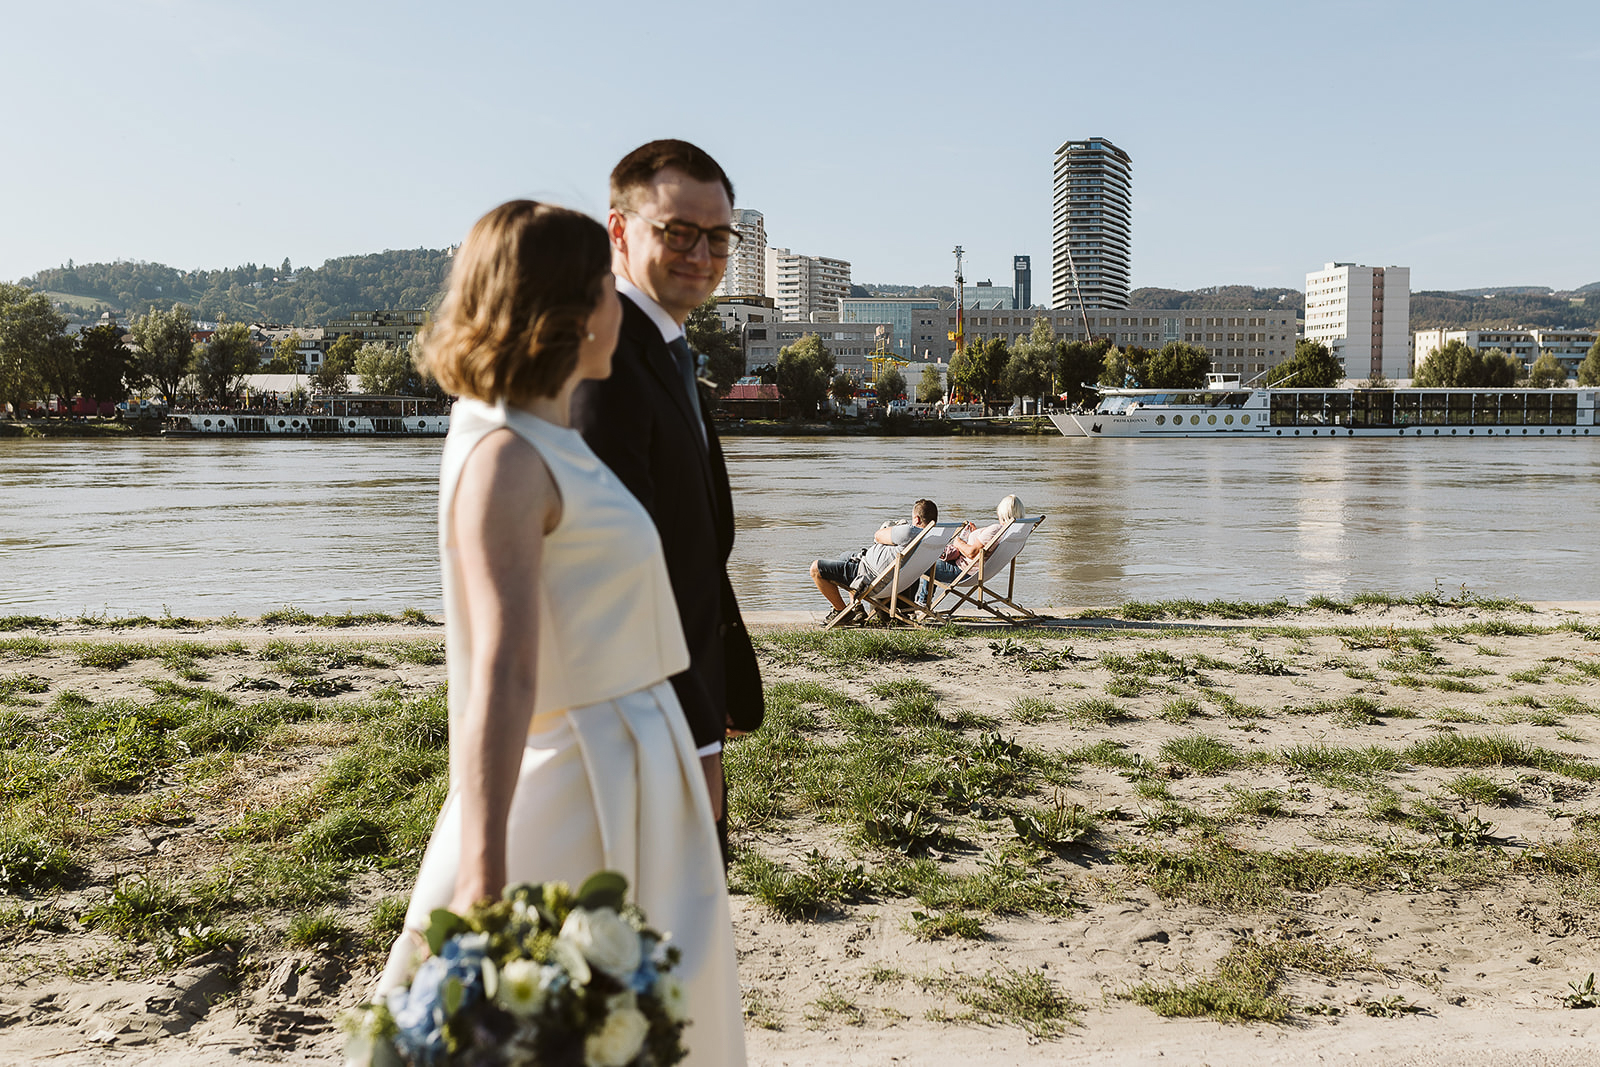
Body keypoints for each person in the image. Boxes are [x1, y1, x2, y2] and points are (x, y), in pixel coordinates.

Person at [377, 200, 745, 1065]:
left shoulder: (551, 432)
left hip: (634, 764)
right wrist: (484, 876)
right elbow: (501, 672)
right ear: (571, 311)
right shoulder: (505, 455)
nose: (622, 306)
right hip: (580, 782)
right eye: (608, 290)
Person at [571, 141, 762, 859]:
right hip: (639, 726)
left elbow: (692, 548)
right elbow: (614, 573)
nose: (702, 254)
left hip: (684, 703)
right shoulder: (606, 362)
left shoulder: (665, 346)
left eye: (718, 237)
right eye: (678, 232)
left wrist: (719, 697)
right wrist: (695, 738)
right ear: (619, 230)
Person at [809, 498, 939, 619]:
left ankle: (842, 612)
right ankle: (857, 608)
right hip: (896, 582)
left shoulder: (909, 532)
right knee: (845, 556)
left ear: (916, 519)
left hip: (870, 579)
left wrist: (895, 529)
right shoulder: (936, 538)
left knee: (816, 568)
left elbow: (877, 536)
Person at [922, 494, 1025, 604]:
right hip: (982, 572)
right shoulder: (1015, 533)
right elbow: (986, 549)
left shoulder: (996, 529)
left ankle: (921, 603)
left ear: (1001, 512)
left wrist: (958, 542)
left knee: (921, 563)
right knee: (929, 560)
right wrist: (976, 534)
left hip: (963, 571)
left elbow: (972, 553)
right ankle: (923, 602)